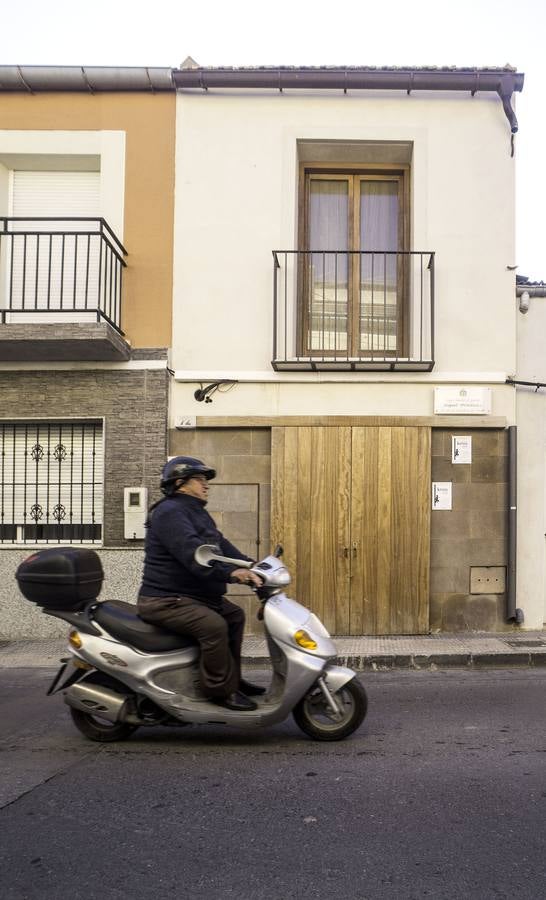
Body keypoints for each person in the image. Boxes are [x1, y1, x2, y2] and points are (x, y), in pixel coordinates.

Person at [137, 456, 264, 711]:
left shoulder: (195, 512)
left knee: (235, 616)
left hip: (192, 597)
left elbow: (220, 545)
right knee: (214, 626)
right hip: (165, 600)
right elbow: (194, 555)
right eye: (200, 479)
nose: (207, 485)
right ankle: (219, 691)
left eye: (206, 480)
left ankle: (233, 680)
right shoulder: (170, 512)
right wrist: (232, 574)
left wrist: (253, 565)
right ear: (180, 483)